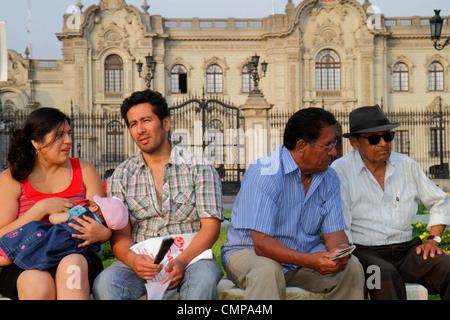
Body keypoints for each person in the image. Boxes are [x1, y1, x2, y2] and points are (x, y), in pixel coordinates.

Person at [221, 107, 365, 300]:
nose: (333, 152)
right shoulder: (265, 173)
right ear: (302, 146)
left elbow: (334, 233)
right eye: (328, 145)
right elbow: (261, 244)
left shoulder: (329, 177)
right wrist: (310, 260)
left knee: (351, 267)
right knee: (267, 270)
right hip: (249, 253)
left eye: (335, 143)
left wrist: (339, 253)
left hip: (303, 258)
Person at [93, 89, 224, 300]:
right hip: (143, 260)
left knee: (203, 281)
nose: (140, 129)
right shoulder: (122, 174)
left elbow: (211, 228)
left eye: (146, 120)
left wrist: (182, 260)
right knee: (105, 283)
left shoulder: (199, 167)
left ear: (166, 123)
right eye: (133, 124)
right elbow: (121, 235)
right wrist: (133, 259)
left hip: (192, 259)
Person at [331, 105, 450, 300]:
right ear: (354, 143)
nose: (383, 143)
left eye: (387, 136)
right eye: (374, 138)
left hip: (407, 252)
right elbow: (341, 227)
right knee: (382, 275)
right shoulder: (340, 171)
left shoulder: (406, 164)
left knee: (447, 267)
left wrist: (433, 240)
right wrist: (351, 267)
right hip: (365, 255)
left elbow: (440, 201)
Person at [0, 107, 111, 300]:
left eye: (68, 133)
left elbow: (104, 219)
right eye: (59, 135)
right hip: (26, 261)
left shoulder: (84, 169)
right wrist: (40, 209)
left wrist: (103, 233)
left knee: (72, 267)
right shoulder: (13, 177)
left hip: (77, 256)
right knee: (38, 284)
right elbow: (2, 235)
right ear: (36, 142)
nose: (68, 140)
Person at [0, 195, 128, 269]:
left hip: (47, 239)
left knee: (28, 236)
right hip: (59, 257)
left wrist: (55, 214)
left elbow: (53, 219)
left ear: (94, 207)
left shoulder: (80, 213)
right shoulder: (96, 237)